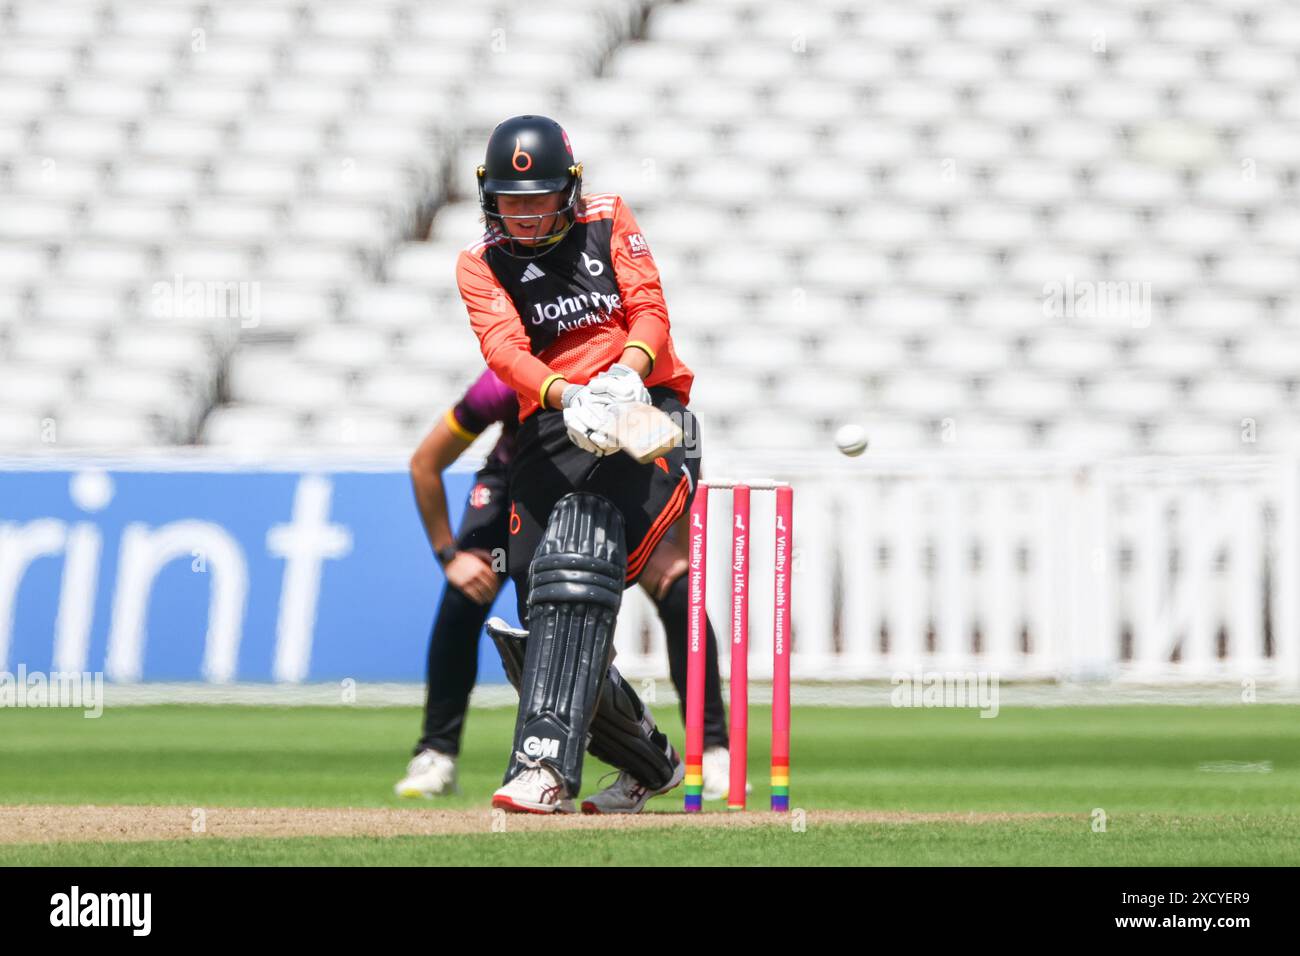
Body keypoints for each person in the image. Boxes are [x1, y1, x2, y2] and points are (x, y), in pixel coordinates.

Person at [456, 114, 705, 813]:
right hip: (555, 419)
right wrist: (566, 396)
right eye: (512, 200)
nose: (527, 214)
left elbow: (649, 307)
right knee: (546, 619)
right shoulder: (478, 262)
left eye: (539, 199)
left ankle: (543, 770)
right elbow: (503, 349)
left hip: (643, 409)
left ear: (568, 189)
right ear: (490, 197)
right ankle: (649, 764)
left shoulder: (606, 218)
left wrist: (626, 376)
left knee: (575, 574)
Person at [394, 368, 734, 801]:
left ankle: (712, 750)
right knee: (468, 595)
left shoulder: (621, 369)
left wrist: (677, 545)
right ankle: (437, 754)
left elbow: (682, 437)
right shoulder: (503, 383)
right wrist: (449, 555)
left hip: (613, 486)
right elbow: (425, 462)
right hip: (519, 489)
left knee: (679, 591)